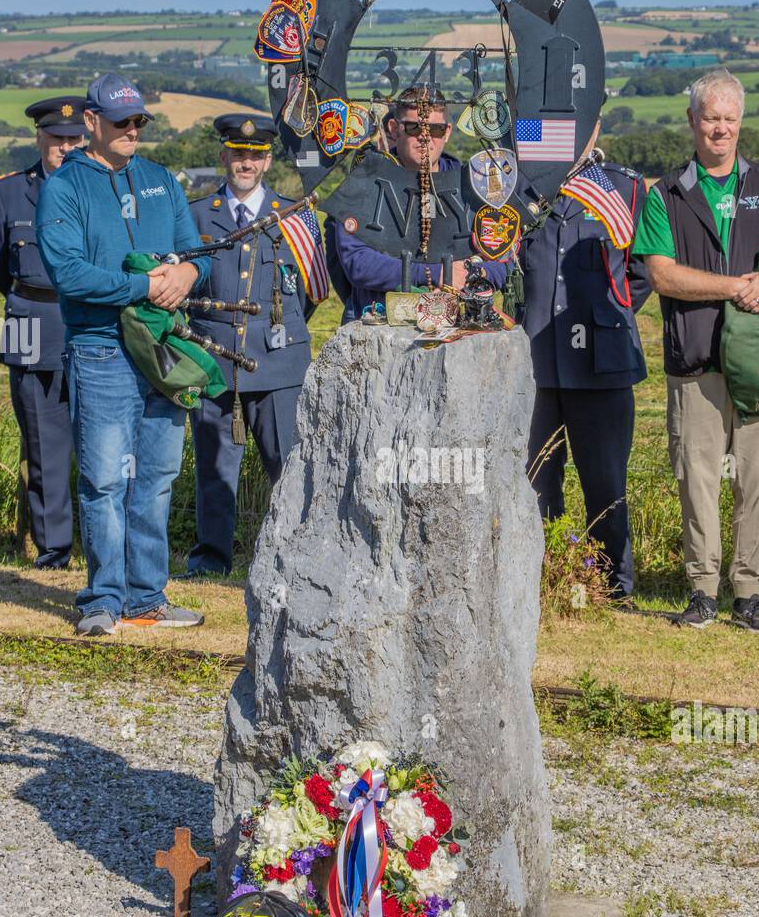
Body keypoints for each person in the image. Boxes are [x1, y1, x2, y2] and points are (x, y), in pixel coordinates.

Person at [632, 67, 759, 633]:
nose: (720, 129)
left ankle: (749, 595)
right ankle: (702, 591)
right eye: (710, 118)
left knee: (758, 476)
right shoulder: (666, 195)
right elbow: (662, 275)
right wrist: (741, 285)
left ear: (741, 123)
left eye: (729, 119)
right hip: (696, 361)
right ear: (692, 122)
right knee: (697, 477)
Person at [36, 73, 212, 636]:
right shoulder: (65, 188)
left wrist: (186, 272)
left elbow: (195, 254)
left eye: (139, 121)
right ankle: (102, 601)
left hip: (163, 349)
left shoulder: (161, 179)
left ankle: (147, 598)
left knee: (157, 476)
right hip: (102, 350)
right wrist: (142, 288)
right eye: (121, 122)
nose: (133, 130)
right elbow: (68, 273)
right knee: (105, 480)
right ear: (91, 122)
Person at [179, 113, 317, 579]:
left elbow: (313, 292)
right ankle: (211, 559)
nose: (246, 163)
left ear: (267, 160)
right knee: (214, 471)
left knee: (287, 467)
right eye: (238, 154)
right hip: (214, 359)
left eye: (255, 155)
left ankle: (293, 558)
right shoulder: (196, 215)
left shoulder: (294, 216)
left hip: (277, 363)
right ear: (223, 156)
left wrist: (275, 332)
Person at [520, 120, 649, 600]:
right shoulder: (518, 183)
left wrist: (600, 316)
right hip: (532, 357)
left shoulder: (624, 187)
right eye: (552, 124)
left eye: (581, 123)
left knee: (605, 483)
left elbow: (640, 273)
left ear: (596, 125)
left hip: (602, 360)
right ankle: (540, 580)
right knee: (534, 484)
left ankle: (612, 587)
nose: (568, 134)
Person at [0, 97, 87, 569]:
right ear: (40, 138)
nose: (66, 147)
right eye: (58, 139)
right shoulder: (8, 193)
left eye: (75, 139)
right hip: (27, 321)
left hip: (89, 325)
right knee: (41, 444)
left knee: (101, 445)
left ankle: (104, 549)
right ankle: (53, 552)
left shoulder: (100, 189)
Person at [333, 89, 508, 317]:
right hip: (379, 320)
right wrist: (436, 273)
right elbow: (357, 262)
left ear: (446, 133)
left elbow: (503, 261)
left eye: (434, 129)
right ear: (394, 129)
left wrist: (466, 276)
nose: (425, 136)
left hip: (456, 324)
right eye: (414, 127)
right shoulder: (363, 186)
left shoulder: (475, 189)